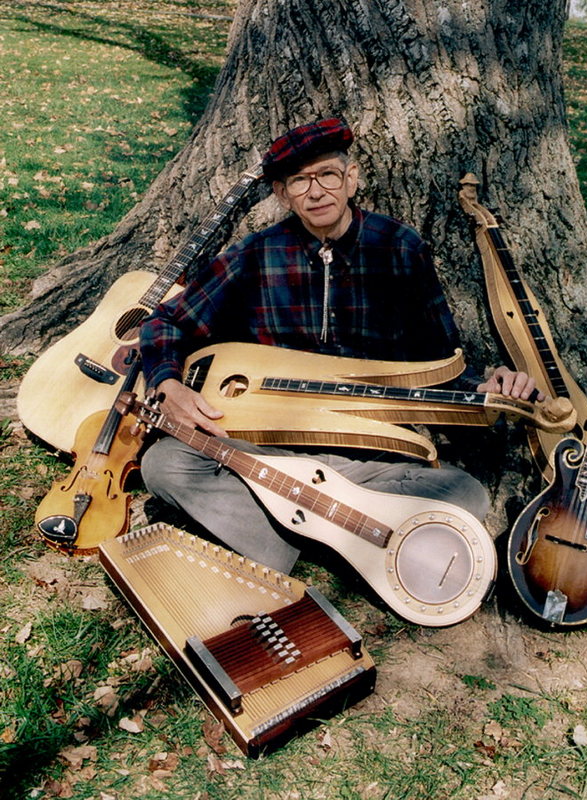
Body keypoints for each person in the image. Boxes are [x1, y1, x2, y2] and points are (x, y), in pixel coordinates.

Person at [139, 117, 541, 574]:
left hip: (368, 458)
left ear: (352, 179)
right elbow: (166, 319)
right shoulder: (256, 255)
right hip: (270, 452)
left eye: (328, 175)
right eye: (299, 181)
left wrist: (490, 387)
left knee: (466, 493)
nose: (316, 192)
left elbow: (438, 364)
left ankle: (290, 526)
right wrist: (167, 383)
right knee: (166, 464)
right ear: (281, 193)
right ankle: (310, 541)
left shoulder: (399, 248)